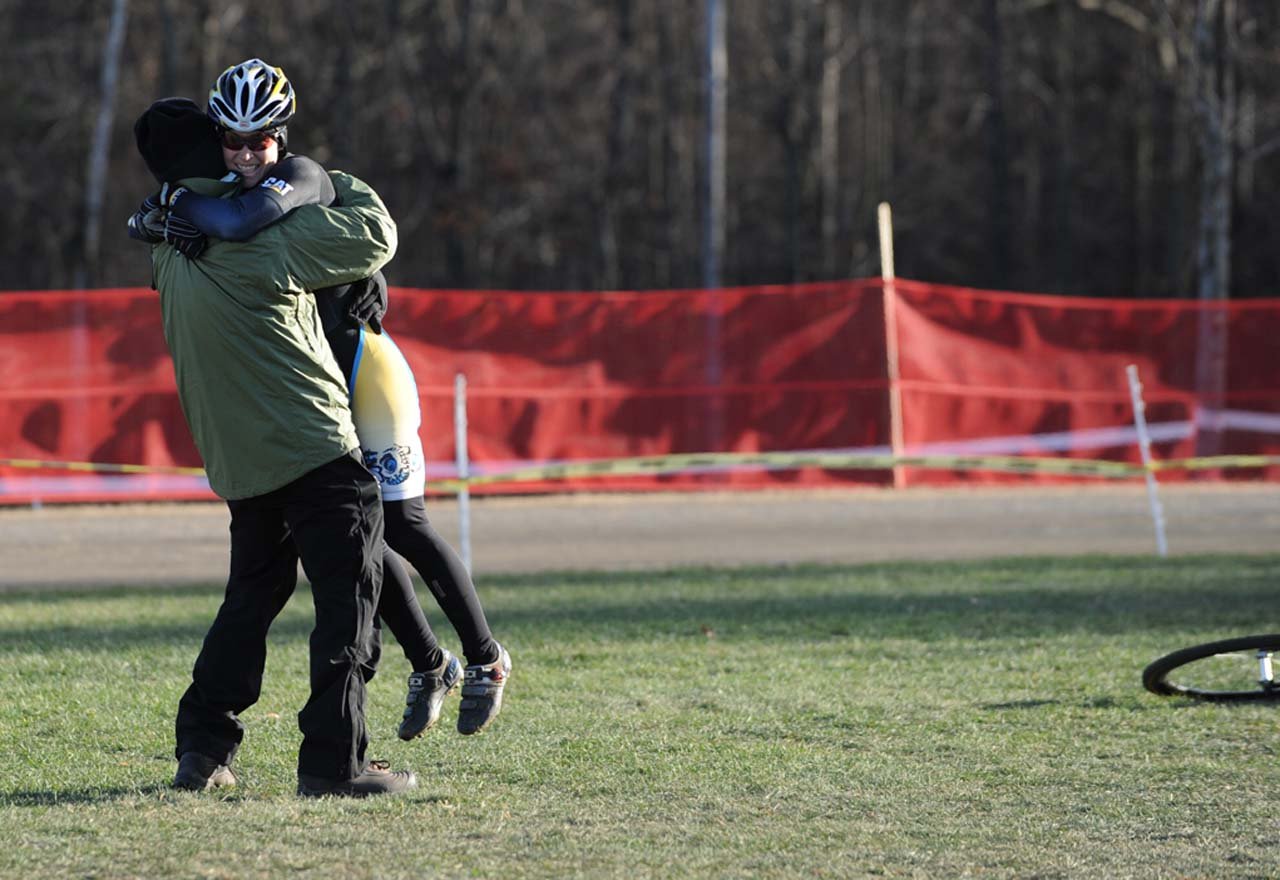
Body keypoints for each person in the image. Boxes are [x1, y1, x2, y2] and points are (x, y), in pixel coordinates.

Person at [145, 59, 512, 739]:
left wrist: (172, 208)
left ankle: (485, 658)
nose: (248, 154)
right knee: (352, 550)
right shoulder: (217, 206)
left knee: (398, 526)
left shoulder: (299, 185)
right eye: (233, 140)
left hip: (363, 372)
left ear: (282, 138)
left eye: (262, 141)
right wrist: (168, 215)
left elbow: (272, 221)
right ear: (215, 141)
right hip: (305, 398)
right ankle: (432, 665)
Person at [129, 95, 414, 797]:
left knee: (250, 599)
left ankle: (202, 747)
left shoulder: (167, 247)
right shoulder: (270, 240)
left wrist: (160, 208)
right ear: (213, 150)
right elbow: (374, 234)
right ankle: (333, 764)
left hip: (237, 458)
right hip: (312, 444)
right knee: (349, 600)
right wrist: (319, 178)